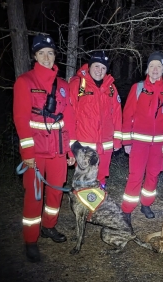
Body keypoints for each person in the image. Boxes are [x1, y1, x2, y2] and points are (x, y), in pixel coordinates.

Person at [13, 34, 76, 262]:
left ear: (55, 55)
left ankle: (49, 226)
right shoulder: (25, 82)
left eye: (50, 53)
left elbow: (69, 120)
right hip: (36, 152)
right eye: (42, 53)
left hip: (58, 150)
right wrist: (27, 153)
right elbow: (21, 120)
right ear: (35, 56)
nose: (47, 58)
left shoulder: (63, 86)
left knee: (56, 192)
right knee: (34, 196)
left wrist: (70, 150)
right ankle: (31, 239)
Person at [120, 51, 163, 222]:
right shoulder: (138, 88)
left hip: (159, 144)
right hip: (138, 142)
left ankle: (146, 204)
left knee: (153, 175)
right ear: (147, 69)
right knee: (135, 175)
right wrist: (126, 141)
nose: (155, 69)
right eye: (152, 66)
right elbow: (127, 115)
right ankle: (127, 210)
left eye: (158, 66)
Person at [69, 51, 122, 187]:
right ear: (90, 66)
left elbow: (117, 114)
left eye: (103, 68)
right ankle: (83, 200)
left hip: (105, 145)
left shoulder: (111, 88)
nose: (99, 70)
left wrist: (117, 140)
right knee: (84, 179)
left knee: (101, 177)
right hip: (84, 146)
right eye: (96, 66)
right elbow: (70, 115)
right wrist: (71, 146)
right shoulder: (78, 84)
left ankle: (99, 198)